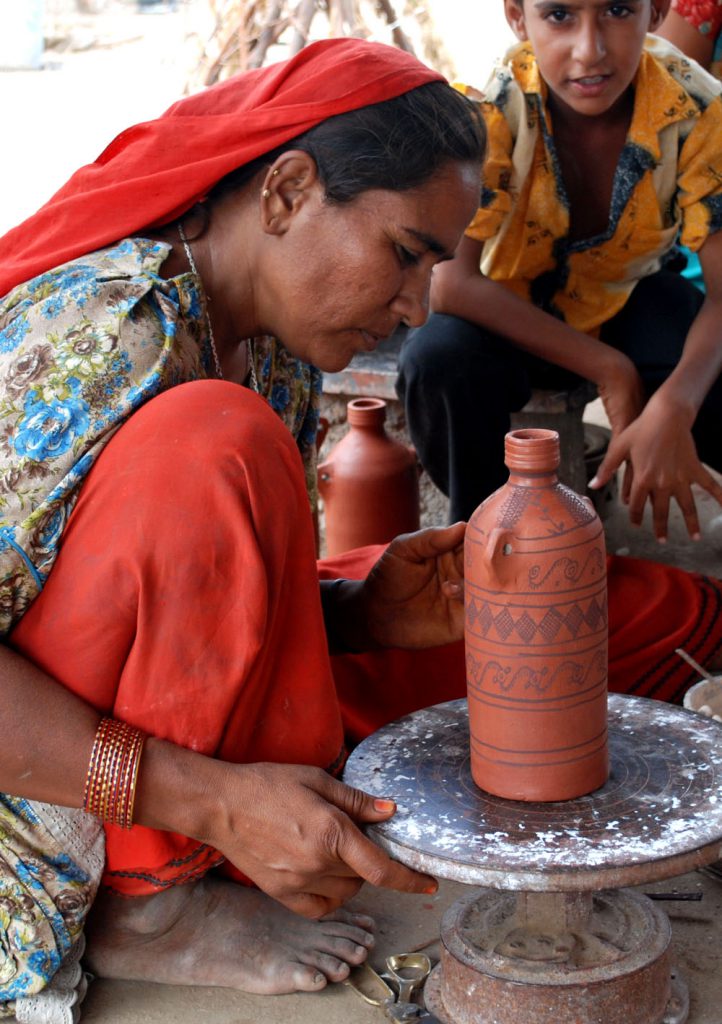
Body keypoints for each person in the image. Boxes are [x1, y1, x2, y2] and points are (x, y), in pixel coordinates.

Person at [0, 38, 486, 1018]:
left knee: (597, 622)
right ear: (285, 193)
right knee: (211, 437)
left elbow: (179, 594)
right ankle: (147, 907)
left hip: (77, 709)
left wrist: (356, 611)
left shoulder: (273, 352)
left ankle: (178, 856)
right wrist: (213, 802)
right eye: (403, 254)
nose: (412, 307)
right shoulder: (113, 333)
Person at [396, 0, 722, 543]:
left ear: (658, 10)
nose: (590, 49)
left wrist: (674, 405)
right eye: (559, 16)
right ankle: (477, 540)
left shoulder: (695, 108)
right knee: (437, 359)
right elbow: (450, 283)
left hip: (627, 297)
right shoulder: (495, 110)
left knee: (705, 362)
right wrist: (610, 370)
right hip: (505, 312)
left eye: (618, 10)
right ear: (518, 18)